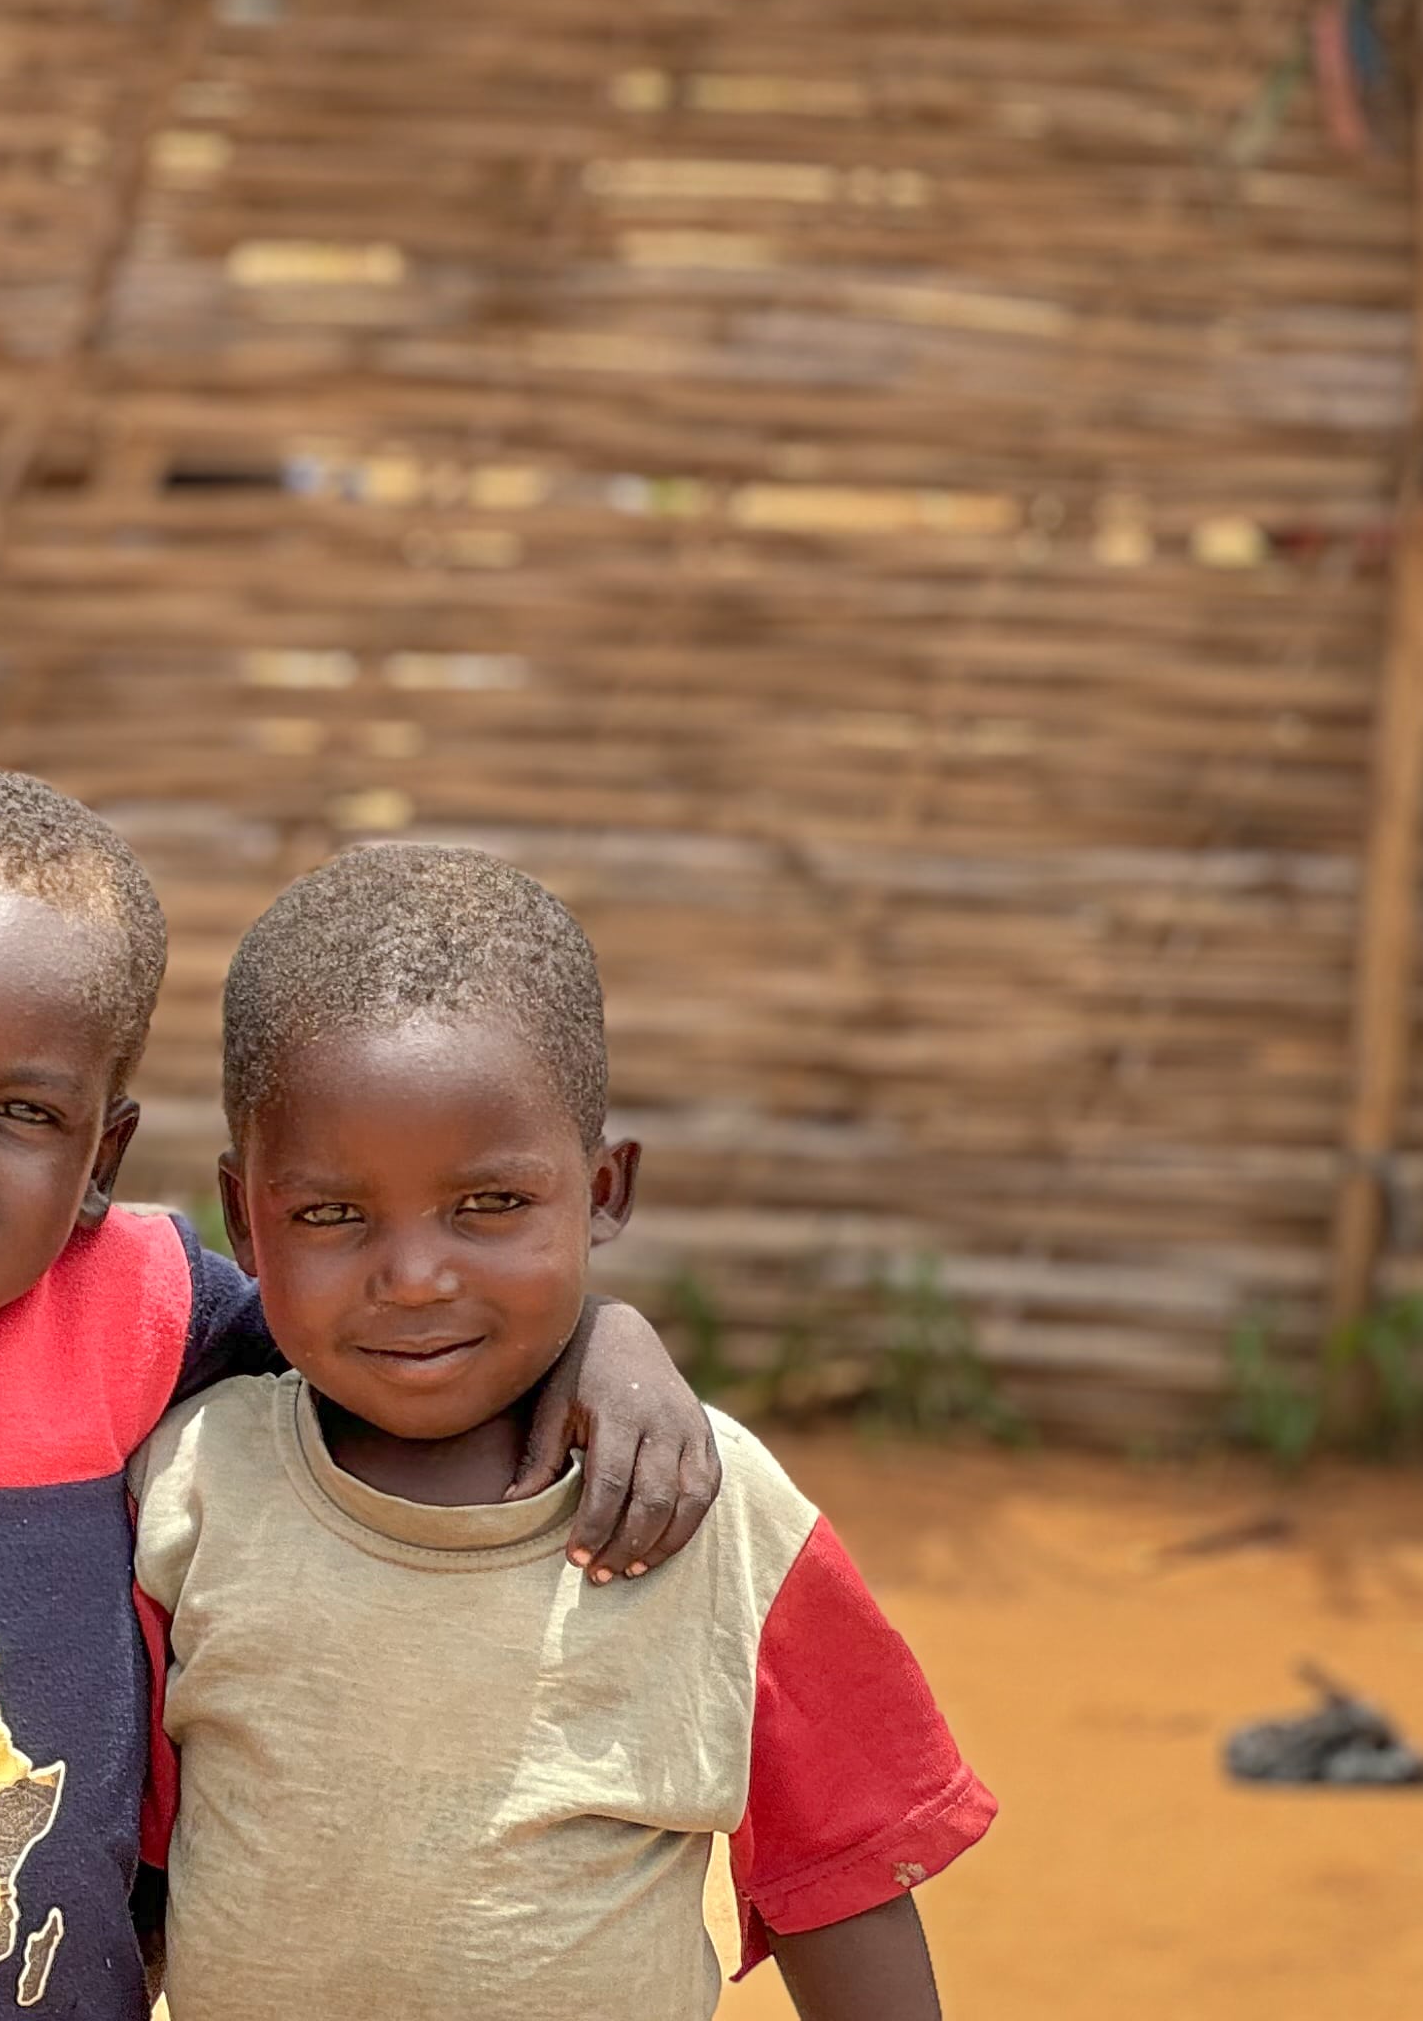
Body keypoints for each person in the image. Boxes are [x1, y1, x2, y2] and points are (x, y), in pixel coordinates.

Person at [0, 770, 723, 2021]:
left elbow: (401, 1348)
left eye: (24, 1111)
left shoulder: (133, 1306)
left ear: (103, 1159)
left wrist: (606, 1340)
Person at [136, 845, 995, 2020]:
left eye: (490, 1206)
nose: (417, 1277)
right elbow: (117, 1868)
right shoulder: (189, 1491)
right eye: (332, 1214)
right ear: (244, 1215)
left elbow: (839, 1874)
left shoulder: (719, 1513)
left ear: (603, 1192)